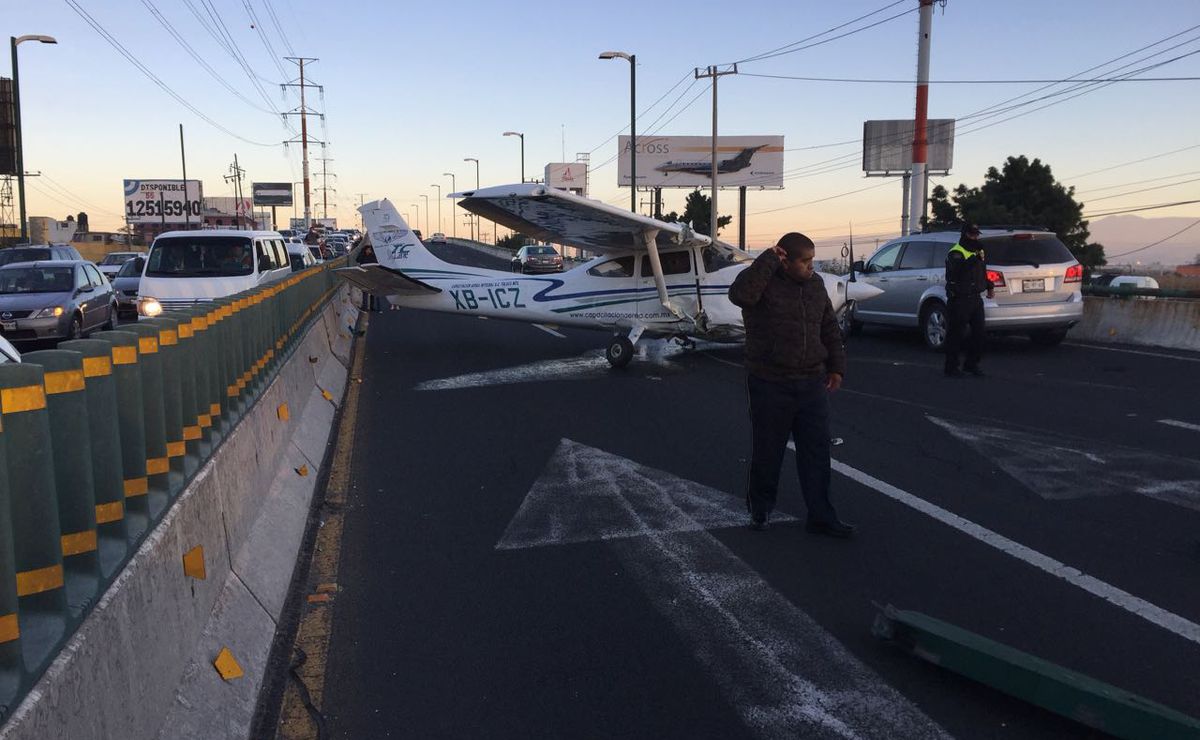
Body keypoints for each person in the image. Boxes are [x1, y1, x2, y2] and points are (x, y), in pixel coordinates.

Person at [728, 232, 854, 538]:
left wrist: (836, 366)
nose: (812, 267)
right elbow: (740, 296)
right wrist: (769, 258)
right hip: (770, 382)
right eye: (806, 261)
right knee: (768, 451)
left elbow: (828, 326)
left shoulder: (815, 286)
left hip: (811, 382)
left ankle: (821, 516)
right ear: (786, 260)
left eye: (813, 260)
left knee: (816, 452)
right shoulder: (762, 282)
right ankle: (760, 509)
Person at [943, 223, 994, 377]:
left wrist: (989, 285)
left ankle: (971, 365)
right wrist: (974, 258)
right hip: (959, 299)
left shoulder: (980, 250)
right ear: (964, 234)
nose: (975, 237)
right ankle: (951, 367)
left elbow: (982, 271)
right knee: (956, 334)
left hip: (975, 298)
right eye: (972, 235)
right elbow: (958, 271)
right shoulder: (956, 252)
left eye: (976, 234)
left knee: (979, 334)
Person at [357, 242, 380, 312]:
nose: (369, 251)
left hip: (371, 276)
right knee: (365, 292)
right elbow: (357, 260)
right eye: (368, 250)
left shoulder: (373, 256)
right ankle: (365, 307)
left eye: (370, 250)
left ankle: (372, 307)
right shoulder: (362, 256)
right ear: (365, 250)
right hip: (364, 276)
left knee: (372, 293)